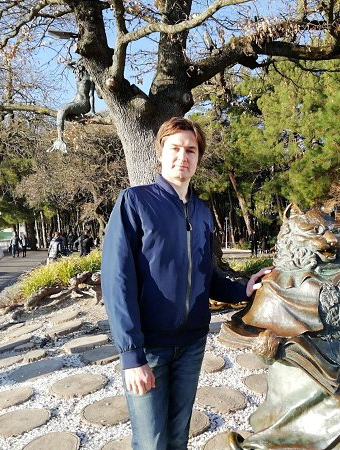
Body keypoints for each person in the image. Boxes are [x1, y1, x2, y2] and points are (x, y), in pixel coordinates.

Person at [101, 117, 271, 450]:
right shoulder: (135, 202)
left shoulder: (203, 212)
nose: (183, 157)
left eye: (191, 150)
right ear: (160, 153)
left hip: (192, 344)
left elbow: (206, 275)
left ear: (198, 157)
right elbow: (117, 280)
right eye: (175, 148)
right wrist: (132, 355)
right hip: (149, 347)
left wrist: (243, 289)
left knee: (179, 439)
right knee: (151, 442)